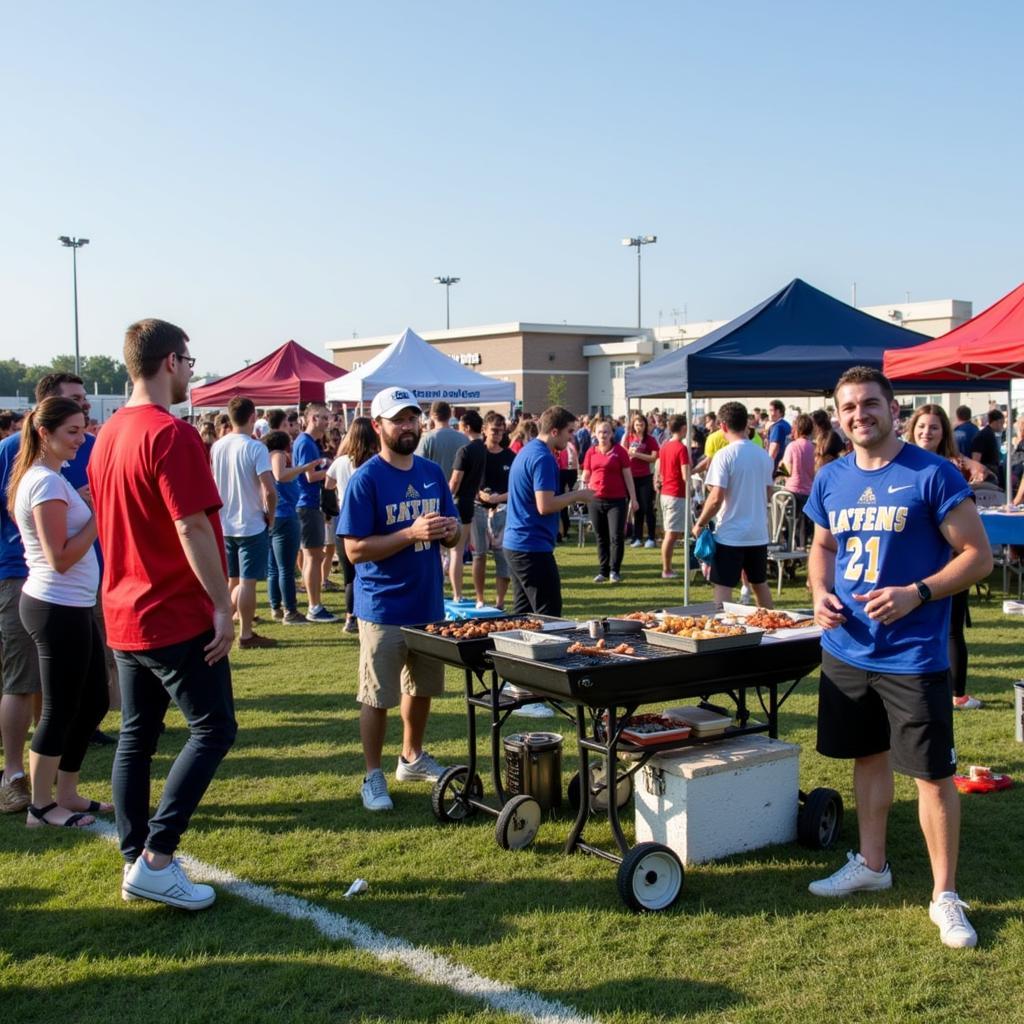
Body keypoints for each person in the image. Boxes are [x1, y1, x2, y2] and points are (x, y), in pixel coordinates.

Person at [804, 366, 992, 949]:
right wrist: (817, 593)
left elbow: (978, 557)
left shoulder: (932, 473)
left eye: (869, 405)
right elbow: (823, 545)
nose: (859, 415)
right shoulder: (831, 478)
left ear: (892, 407)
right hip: (848, 648)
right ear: (838, 417)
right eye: (849, 408)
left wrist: (918, 592)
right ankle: (873, 864)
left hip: (912, 655)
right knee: (867, 757)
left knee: (934, 777)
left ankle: (945, 895)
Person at [89, 318, 237, 911]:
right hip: (171, 611)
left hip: (124, 609)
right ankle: (154, 857)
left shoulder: (107, 435)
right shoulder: (169, 434)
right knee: (214, 728)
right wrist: (223, 605)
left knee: (137, 735)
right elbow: (190, 524)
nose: (193, 371)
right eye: (191, 361)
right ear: (171, 361)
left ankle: (136, 859)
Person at [338, 386, 461, 812]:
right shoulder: (365, 479)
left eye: (412, 418)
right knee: (377, 695)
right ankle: (372, 775)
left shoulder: (430, 471)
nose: (408, 426)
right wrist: (410, 533)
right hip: (382, 606)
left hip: (428, 605)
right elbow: (353, 550)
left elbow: (456, 531)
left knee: (422, 687)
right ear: (378, 427)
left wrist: (450, 532)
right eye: (398, 420)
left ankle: (411, 755)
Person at [9, 397, 109, 828]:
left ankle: (66, 792)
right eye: (72, 431)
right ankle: (41, 806)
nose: (81, 438)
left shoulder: (53, 477)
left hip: (72, 604)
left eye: (84, 428)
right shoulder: (44, 482)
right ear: (44, 433)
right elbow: (60, 557)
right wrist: (99, 518)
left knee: (94, 701)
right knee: (61, 708)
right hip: (55, 606)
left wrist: (85, 505)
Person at [907, 404, 987, 711]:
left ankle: (958, 694)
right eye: (922, 426)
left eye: (934, 427)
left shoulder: (949, 469)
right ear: (912, 428)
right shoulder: (900, 465)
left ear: (944, 434)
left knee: (952, 628)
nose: (927, 432)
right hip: (916, 563)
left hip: (952, 562)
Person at [503, 407, 595, 615]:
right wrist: (578, 495)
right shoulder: (543, 457)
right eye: (569, 432)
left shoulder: (528, 450)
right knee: (549, 616)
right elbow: (545, 505)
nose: (571, 438)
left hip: (517, 544)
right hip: (531, 546)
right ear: (554, 431)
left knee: (523, 615)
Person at [690, 402, 774, 608]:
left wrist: (700, 522)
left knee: (723, 585)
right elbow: (768, 492)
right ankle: (775, 628)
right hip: (757, 532)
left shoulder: (724, 455)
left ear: (723, 426)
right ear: (746, 424)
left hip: (731, 533)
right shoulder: (763, 455)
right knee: (759, 584)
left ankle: (723, 631)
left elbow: (716, 497)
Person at [211, 397, 277, 649]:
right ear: (253, 417)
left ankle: (225, 624)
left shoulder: (218, 446)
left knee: (233, 580)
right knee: (248, 582)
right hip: (250, 521)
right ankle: (246, 633)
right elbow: (269, 490)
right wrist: (270, 514)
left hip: (225, 521)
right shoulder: (255, 447)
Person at [325, 416, 380, 633]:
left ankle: (350, 618)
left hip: (343, 518)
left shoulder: (340, 462)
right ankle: (362, 614)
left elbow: (327, 485)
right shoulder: (375, 462)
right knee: (366, 572)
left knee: (349, 575)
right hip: (369, 519)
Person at [264, 430, 320, 624]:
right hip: (285, 514)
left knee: (274, 568)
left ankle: (276, 607)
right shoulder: (278, 455)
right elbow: (280, 475)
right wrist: (303, 468)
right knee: (285, 568)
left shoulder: (267, 456)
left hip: (275, 515)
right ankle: (290, 611)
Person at [581, 419, 638, 583]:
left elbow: (628, 476)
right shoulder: (591, 452)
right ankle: (603, 571)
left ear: (612, 434)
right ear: (595, 434)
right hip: (595, 499)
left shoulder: (620, 451)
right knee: (601, 537)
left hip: (617, 500)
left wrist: (633, 498)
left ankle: (615, 570)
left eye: (606, 432)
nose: (603, 435)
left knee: (616, 536)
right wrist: (582, 488)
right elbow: (586, 474)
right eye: (600, 432)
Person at [293, 403, 335, 622]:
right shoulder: (306, 442)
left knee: (314, 556)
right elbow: (309, 476)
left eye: (327, 418)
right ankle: (314, 606)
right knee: (313, 556)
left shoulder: (307, 442)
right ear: (312, 419)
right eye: (323, 418)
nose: (327, 422)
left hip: (308, 503)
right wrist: (333, 469)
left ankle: (315, 604)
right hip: (307, 503)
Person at [472, 412, 514, 609]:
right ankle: (480, 598)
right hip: (479, 509)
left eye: (501, 431)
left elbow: (516, 488)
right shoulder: (477, 454)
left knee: (501, 557)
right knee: (479, 554)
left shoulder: (509, 456)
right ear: (484, 430)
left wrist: (499, 498)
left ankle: (500, 602)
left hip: (503, 509)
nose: (497, 434)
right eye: (494, 430)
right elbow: (467, 481)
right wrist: (480, 494)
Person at [447, 411, 487, 602]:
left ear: (467, 427)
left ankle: (457, 595)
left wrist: (444, 498)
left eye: (461, 425)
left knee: (456, 551)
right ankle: (459, 594)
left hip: (458, 502)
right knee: (461, 550)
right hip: (470, 502)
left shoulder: (465, 450)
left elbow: (455, 481)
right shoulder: (482, 449)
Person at [656, 414, 690, 579]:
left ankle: (668, 568)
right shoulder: (681, 448)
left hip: (666, 492)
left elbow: (662, 471)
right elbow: (685, 474)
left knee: (671, 533)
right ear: (683, 428)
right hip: (676, 493)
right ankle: (666, 569)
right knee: (671, 534)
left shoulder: (664, 446)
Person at [779, 413, 816, 546]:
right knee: (805, 526)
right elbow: (814, 472)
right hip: (808, 492)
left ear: (797, 429)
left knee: (788, 524)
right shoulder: (814, 447)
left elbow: (787, 471)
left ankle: (790, 549)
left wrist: (780, 468)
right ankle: (804, 548)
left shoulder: (792, 446)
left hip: (792, 491)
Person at [625, 411, 660, 548]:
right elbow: (625, 453)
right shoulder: (628, 438)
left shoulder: (650, 440)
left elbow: (654, 457)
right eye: (637, 424)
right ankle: (637, 537)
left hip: (645, 476)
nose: (639, 427)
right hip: (631, 477)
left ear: (646, 425)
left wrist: (637, 455)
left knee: (647, 508)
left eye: (641, 424)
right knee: (635, 507)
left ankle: (651, 537)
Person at [416, 400, 468, 483]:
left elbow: (418, 468)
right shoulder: (464, 438)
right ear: (450, 415)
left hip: (434, 490)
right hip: (459, 491)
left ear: (432, 415)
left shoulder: (427, 439)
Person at [970, 408, 1004, 484]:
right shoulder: (984, 435)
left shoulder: (989, 433)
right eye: (1001, 423)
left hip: (990, 472)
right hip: (986, 474)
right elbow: (976, 457)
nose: (1002, 426)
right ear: (996, 422)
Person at [766, 399, 792, 472]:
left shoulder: (777, 427)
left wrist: (767, 466)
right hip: (785, 465)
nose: (769, 413)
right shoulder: (787, 425)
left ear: (778, 411)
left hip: (776, 465)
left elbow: (774, 449)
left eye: (771, 410)